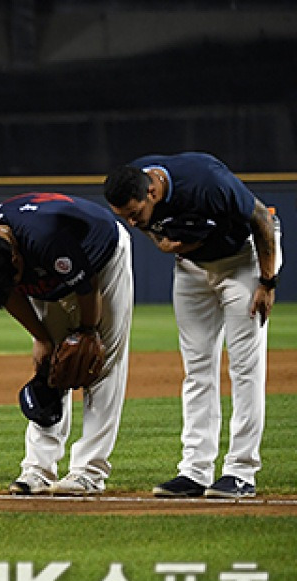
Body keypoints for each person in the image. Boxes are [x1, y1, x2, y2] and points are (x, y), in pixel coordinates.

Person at [104, 153, 282, 499]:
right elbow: (154, 229)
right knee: (197, 367)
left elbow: (260, 217)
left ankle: (241, 471)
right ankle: (195, 471)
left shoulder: (206, 184)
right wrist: (163, 243)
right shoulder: (135, 183)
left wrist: (267, 282)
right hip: (192, 269)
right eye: (123, 216)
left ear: (152, 192)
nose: (131, 223)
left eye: (134, 213)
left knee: (245, 368)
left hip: (244, 260)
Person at [0, 192, 134, 495]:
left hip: (100, 257)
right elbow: (8, 292)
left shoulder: (47, 239)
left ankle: (89, 471)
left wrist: (87, 332)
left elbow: (87, 288)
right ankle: (38, 469)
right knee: (50, 365)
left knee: (98, 360)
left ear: (15, 257)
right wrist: (41, 338)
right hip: (47, 266)